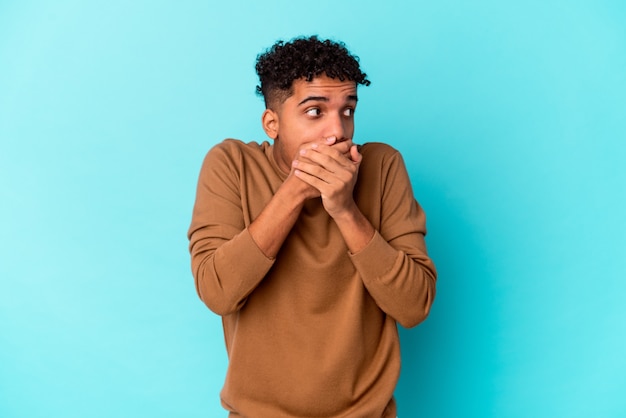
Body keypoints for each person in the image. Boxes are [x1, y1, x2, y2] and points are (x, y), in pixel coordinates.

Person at [187, 35, 437, 418]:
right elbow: (218, 292)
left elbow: (414, 305)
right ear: (272, 123)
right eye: (315, 112)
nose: (337, 131)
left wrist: (345, 209)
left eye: (348, 110)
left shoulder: (383, 167)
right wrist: (293, 192)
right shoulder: (231, 165)